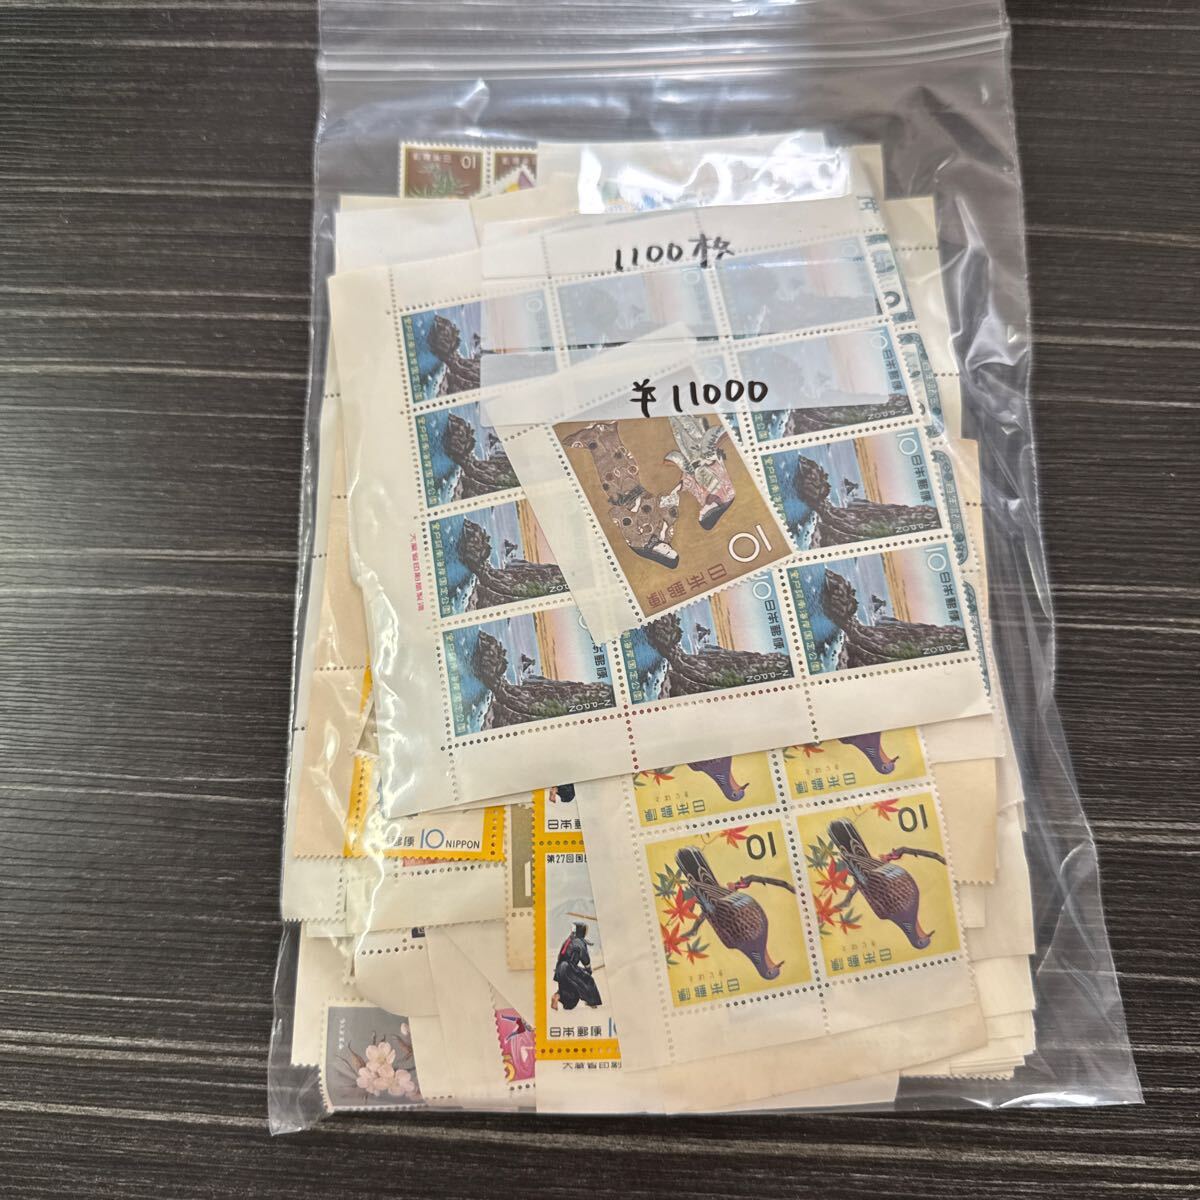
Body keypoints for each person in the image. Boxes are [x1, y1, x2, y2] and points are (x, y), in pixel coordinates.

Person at [550, 922, 602, 1010]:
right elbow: (585, 958)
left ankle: (557, 996)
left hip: (560, 969)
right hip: (568, 968)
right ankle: (592, 1002)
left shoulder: (569, 940)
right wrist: (588, 969)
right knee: (588, 980)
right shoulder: (579, 942)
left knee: (569, 994)